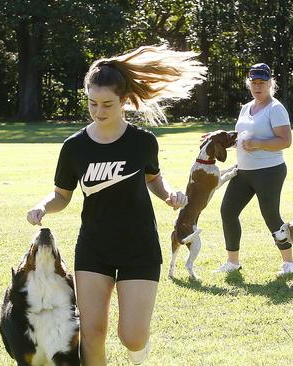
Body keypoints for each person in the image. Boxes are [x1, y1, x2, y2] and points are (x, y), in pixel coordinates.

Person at [26, 45, 203, 365]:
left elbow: (153, 179)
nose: (98, 110)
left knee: (131, 336)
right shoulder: (74, 148)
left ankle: (139, 354)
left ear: (124, 101)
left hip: (140, 247)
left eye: (107, 104)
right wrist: (42, 206)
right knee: (92, 333)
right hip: (94, 247)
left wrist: (169, 195)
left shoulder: (143, 142)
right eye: (92, 103)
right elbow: (62, 196)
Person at [214, 63, 293, 276]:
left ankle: (288, 262)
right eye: (254, 82)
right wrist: (218, 142)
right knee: (228, 211)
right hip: (243, 171)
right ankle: (233, 262)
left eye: (262, 83)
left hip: (269, 170)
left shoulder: (275, 108)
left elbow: (285, 141)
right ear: (249, 84)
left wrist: (258, 143)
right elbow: (242, 139)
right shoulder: (245, 107)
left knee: (270, 215)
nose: (257, 87)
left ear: (270, 84)